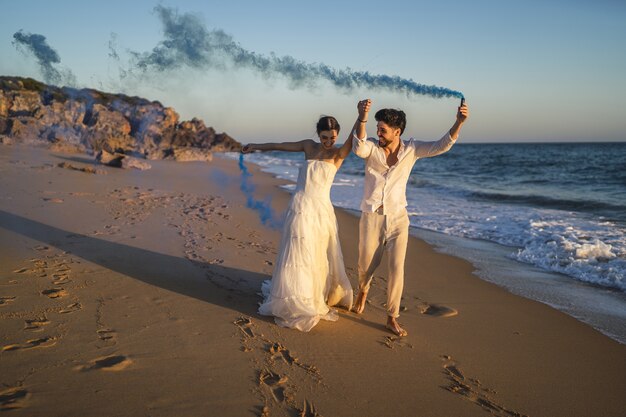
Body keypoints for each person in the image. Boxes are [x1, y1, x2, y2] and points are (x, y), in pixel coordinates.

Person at [351, 98, 469, 336]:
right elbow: (358, 147)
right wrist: (362, 118)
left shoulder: (412, 149)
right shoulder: (372, 147)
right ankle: (363, 289)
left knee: (397, 269)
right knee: (366, 266)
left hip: (398, 219)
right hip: (372, 216)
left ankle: (391, 317)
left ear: (397, 131)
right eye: (377, 129)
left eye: (383, 130)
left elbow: (441, 145)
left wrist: (459, 122)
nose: (379, 133)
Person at [241, 107, 363, 331]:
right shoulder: (308, 146)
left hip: (320, 210)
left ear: (337, 135)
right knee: (296, 249)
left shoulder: (338, 154)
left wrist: (361, 116)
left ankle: (310, 296)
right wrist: (256, 146)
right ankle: (292, 296)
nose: (328, 141)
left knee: (315, 253)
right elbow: (280, 145)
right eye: (324, 137)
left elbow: (354, 137)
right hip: (299, 205)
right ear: (318, 134)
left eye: (332, 137)